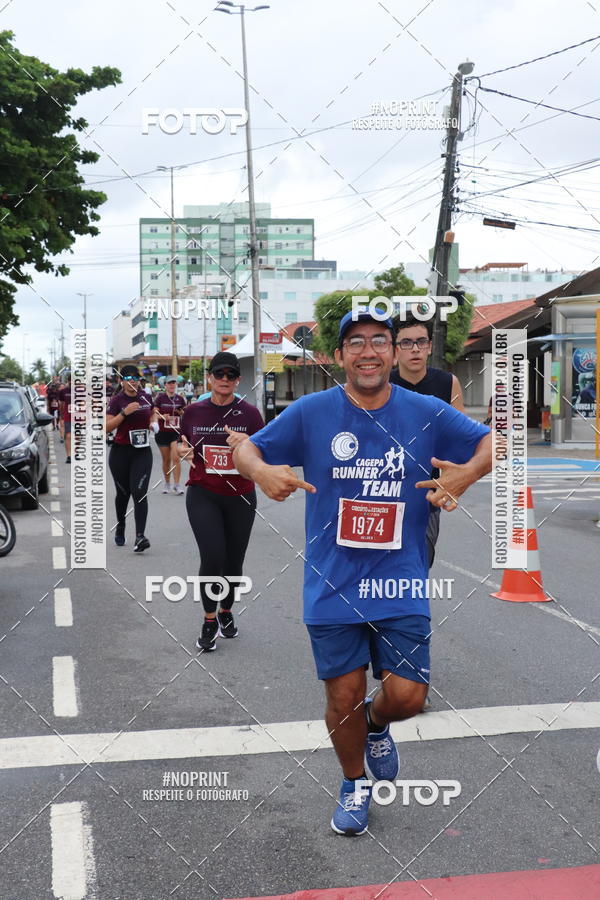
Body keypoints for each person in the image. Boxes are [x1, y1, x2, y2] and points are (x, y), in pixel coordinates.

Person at [233, 309, 491, 836]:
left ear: (395, 354)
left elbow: (490, 443)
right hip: (332, 580)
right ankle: (354, 784)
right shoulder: (311, 412)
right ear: (341, 356)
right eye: (355, 342)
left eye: (379, 341)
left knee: (406, 697)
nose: (368, 351)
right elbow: (246, 446)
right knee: (342, 697)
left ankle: (376, 725)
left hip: (400, 576)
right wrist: (260, 471)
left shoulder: (425, 410)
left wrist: (465, 476)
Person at [178, 352, 263, 652]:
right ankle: (209, 619)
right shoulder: (193, 412)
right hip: (203, 492)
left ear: (238, 379)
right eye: (219, 374)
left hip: (240, 494)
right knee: (212, 556)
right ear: (210, 378)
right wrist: (182, 452)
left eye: (230, 375)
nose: (224, 379)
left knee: (233, 562)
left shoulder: (250, 414)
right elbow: (181, 442)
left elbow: (265, 453)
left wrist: (246, 446)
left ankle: (226, 611)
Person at [390, 313, 465, 569]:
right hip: (383, 491)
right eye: (406, 343)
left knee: (420, 561)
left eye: (421, 342)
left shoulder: (447, 383)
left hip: (428, 493)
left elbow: (458, 439)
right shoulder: (380, 384)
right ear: (395, 348)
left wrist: (452, 481)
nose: (415, 349)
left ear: (430, 346)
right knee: (380, 566)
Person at [105, 364, 156, 552]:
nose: (132, 381)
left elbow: (152, 414)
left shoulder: (146, 397)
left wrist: (154, 424)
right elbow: (107, 427)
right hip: (121, 452)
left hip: (142, 452)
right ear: (122, 381)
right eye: (128, 378)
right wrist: (124, 413)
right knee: (123, 494)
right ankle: (121, 526)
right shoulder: (117, 400)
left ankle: (140, 536)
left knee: (139, 491)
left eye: (135, 378)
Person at [154, 375, 186, 494]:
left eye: (174, 383)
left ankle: (177, 485)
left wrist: (182, 413)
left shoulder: (180, 399)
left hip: (176, 433)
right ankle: (167, 483)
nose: (172, 385)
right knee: (166, 460)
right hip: (162, 433)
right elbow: (154, 415)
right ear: (165, 385)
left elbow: (185, 414)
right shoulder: (160, 399)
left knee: (176, 458)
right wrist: (162, 417)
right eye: (170, 383)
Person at [58, 373, 72, 463]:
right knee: (68, 436)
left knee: (78, 436)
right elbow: (62, 404)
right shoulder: (63, 391)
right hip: (67, 416)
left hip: (79, 417)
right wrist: (62, 414)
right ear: (69, 381)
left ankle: (77, 452)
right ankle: (69, 456)